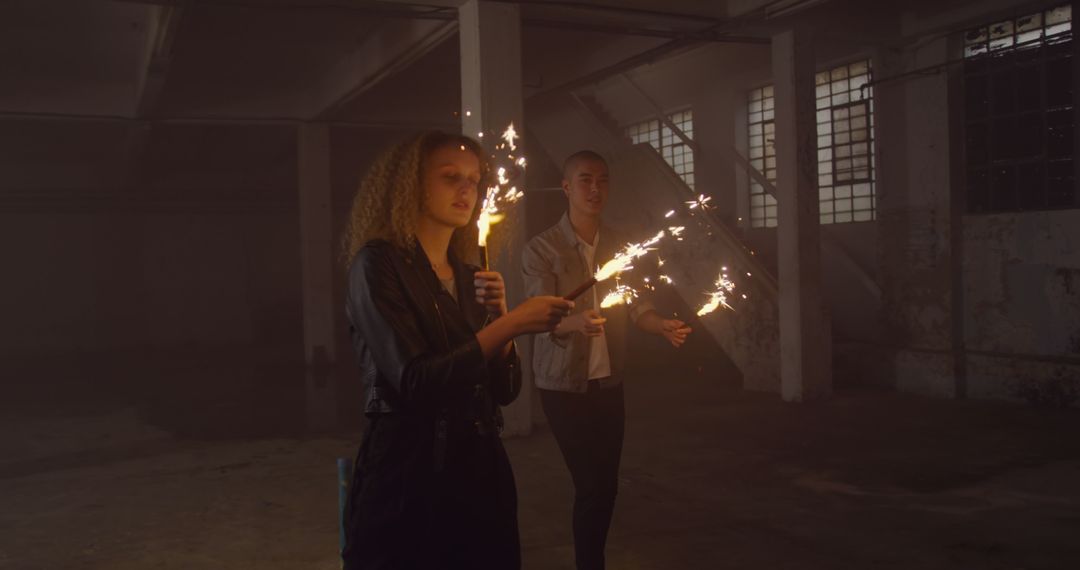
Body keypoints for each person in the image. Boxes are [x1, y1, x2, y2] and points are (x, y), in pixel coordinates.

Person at [340, 131, 574, 570]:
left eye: (474, 179)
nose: (468, 190)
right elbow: (415, 381)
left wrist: (502, 325)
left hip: (480, 467)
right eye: (451, 177)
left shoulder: (470, 277)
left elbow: (504, 391)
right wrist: (510, 324)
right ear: (410, 184)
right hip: (409, 472)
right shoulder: (377, 265)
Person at [521, 150, 693, 570]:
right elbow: (538, 317)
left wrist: (660, 325)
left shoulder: (619, 246)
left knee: (606, 486)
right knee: (591, 484)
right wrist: (573, 320)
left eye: (602, 180)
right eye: (585, 180)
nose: (595, 188)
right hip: (563, 386)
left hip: (608, 384)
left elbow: (637, 305)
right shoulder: (542, 248)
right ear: (566, 187)